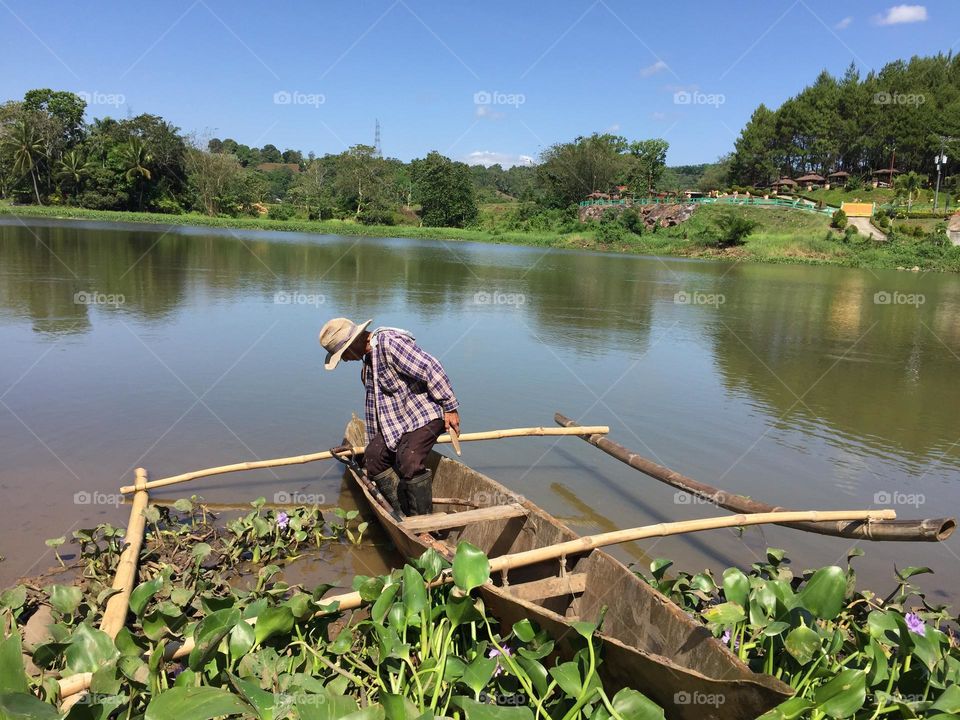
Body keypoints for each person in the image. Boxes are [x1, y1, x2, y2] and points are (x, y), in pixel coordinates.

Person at [319, 317, 460, 516]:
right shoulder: (368, 360)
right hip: (399, 422)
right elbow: (378, 407)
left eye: (342, 355)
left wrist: (450, 407)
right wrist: (375, 441)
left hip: (424, 415)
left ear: (353, 344)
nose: (344, 360)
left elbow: (430, 367)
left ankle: (423, 524)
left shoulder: (389, 344)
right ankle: (401, 512)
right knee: (373, 457)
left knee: (409, 459)